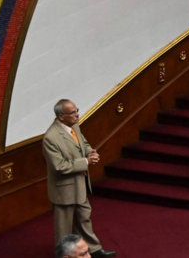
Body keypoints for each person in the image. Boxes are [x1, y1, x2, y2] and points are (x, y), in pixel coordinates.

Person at [43, 100, 116, 258]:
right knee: (64, 228)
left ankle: (94, 250)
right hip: (64, 191)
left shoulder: (74, 126)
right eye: (73, 113)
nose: (77, 114)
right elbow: (60, 166)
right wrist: (86, 162)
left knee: (84, 219)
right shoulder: (51, 138)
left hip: (80, 185)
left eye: (76, 110)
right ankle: (64, 255)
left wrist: (90, 153)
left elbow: (83, 143)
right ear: (61, 116)